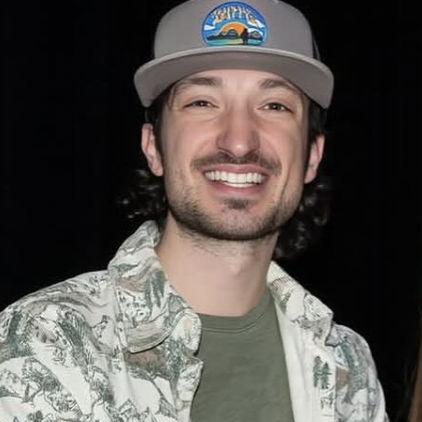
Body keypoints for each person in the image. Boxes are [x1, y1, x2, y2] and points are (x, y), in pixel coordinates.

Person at [0, 0, 388, 421]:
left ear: (312, 156)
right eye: (202, 102)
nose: (239, 141)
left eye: (274, 106)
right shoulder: (47, 341)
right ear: (154, 147)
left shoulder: (347, 366)